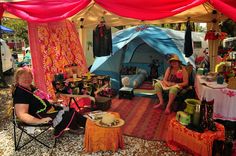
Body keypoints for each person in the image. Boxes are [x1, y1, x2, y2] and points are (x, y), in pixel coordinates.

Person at [12, 67, 87, 137]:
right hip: (41, 115)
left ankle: (87, 124)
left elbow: (39, 101)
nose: (26, 79)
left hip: (47, 110)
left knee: (69, 109)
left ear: (32, 78)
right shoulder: (20, 93)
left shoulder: (30, 88)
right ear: (17, 80)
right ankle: (76, 127)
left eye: (28, 77)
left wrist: (51, 102)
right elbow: (22, 114)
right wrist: (39, 121)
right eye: (23, 78)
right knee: (68, 114)